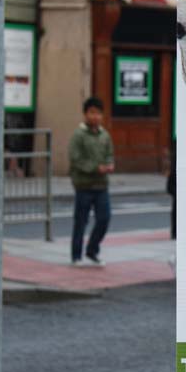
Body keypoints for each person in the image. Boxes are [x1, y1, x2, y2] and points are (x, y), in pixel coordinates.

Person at [69, 96, 114, 267]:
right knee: (81, 221)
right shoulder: (78, 135)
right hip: (84, 185)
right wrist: (96, 167)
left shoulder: (105, 135)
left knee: (104, 218)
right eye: (92, 113)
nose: (95, 117)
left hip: (101, 185)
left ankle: (92, 250)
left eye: (98, 113)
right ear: (85, 114)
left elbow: (109, 153)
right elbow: (76, 159)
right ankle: (76, 255)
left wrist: (109, 164)